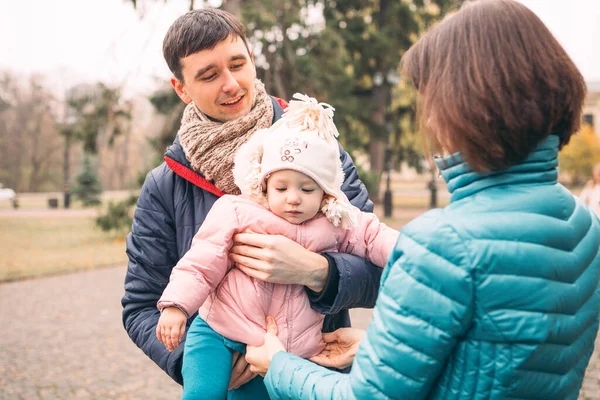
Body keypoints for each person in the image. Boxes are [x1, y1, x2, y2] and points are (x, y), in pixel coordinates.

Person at [245, 1, 600, 399]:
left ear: (465, 105)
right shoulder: (584, 225)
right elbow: (506, 360)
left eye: (431, 98)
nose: (428, 118)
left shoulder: (442, 243)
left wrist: (280, 365)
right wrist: (380, 355)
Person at [121, 8, 383, 398]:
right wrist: (201, 367)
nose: (231, 84)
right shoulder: (166, 184)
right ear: (181, 88)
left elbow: (375, 272)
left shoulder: (317, 149)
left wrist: (318, 272)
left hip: (316, 377)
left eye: (238, 64)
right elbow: (141, 305)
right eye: (209, 75)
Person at [156, 94, 399, 399]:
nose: (293, 198)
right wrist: (177, 306)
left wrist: (412, 256)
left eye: (306, 188)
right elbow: (202, 261)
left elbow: (374, 236)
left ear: (325, 193)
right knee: (203, 392)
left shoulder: (335, 220)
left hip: (278, 348)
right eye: (281, 187)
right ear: (265, 184)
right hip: (218, 330)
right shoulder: (239, 211)